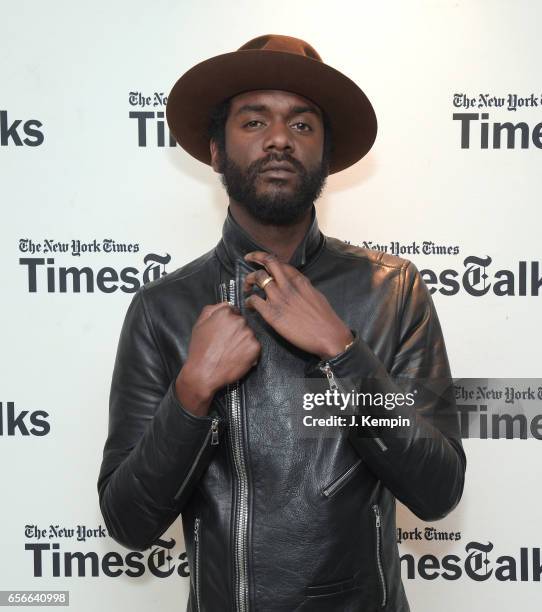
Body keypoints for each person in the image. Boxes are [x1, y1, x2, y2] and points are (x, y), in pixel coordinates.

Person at [97, 34, 466, 612]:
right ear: (216, 152)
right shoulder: (162, 309)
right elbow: (128, 523)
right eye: (253, 122)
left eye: (301, 126)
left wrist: (343, 352)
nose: (278, 140)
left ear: (326, 155)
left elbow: (438, 490)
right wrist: (193, 390)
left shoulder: (392, 291)